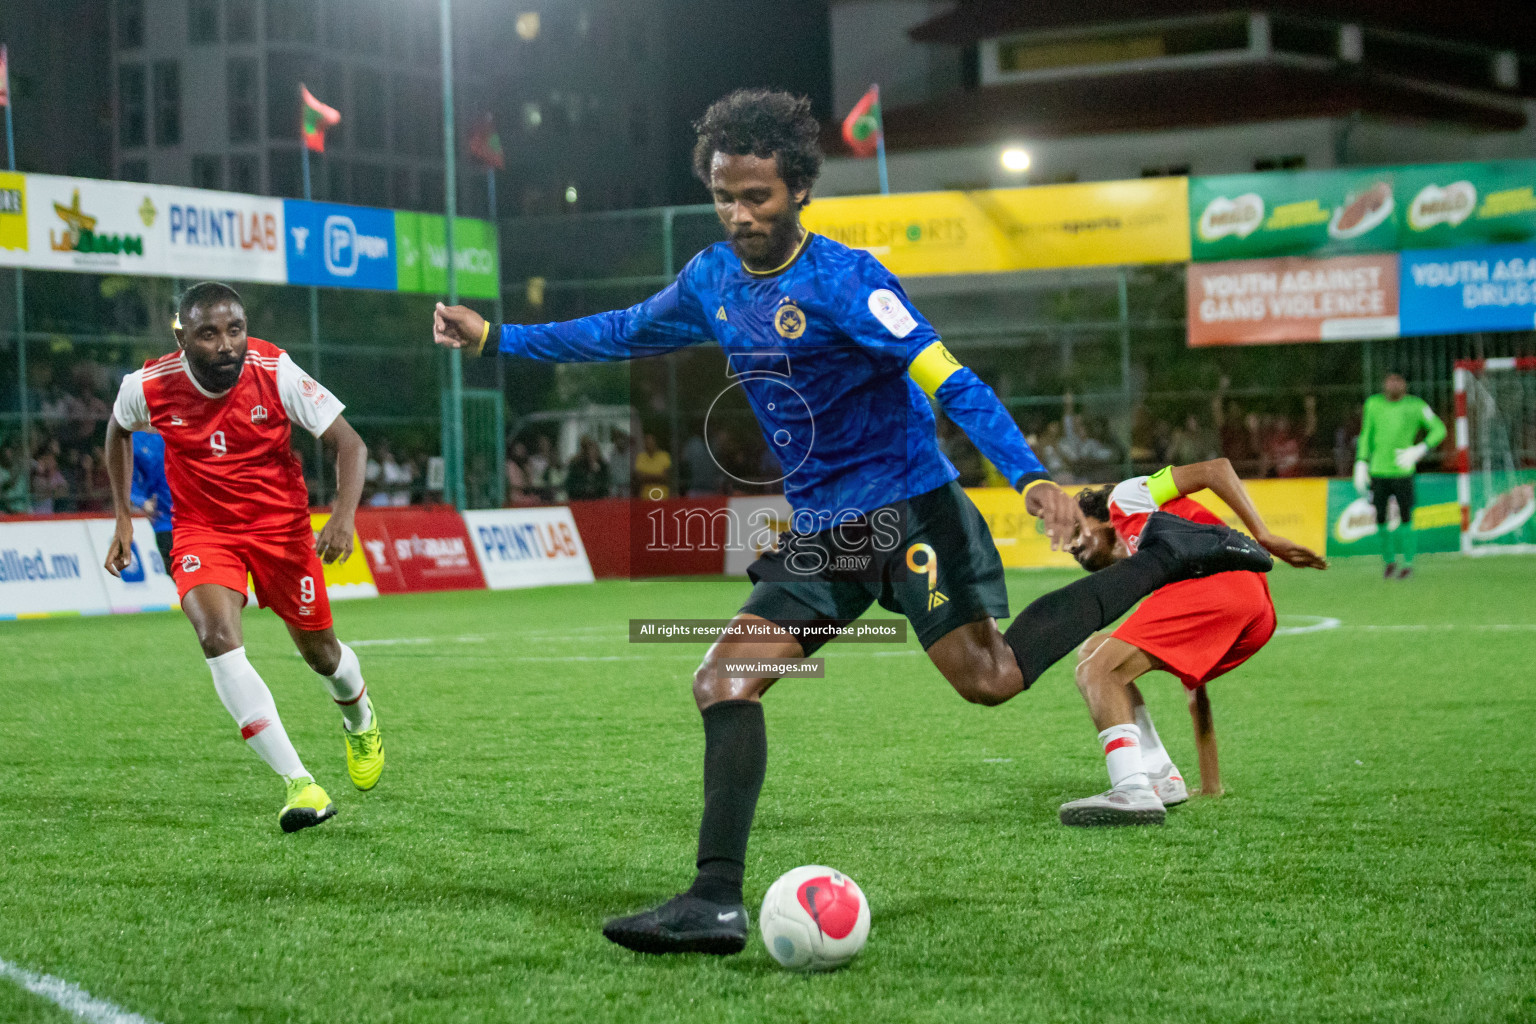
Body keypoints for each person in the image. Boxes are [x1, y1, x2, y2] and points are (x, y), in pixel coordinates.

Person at [432, 88, 1269, 956]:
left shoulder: (848, 281)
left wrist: (1028, 478)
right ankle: (714, 900)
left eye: (756, 196)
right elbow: (619, 332)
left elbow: (951, 378)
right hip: (826, 535)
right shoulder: (713, 279)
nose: (739, 213)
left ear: (798, 190)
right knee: (722, 681)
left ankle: (1166, 555)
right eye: (724, 195)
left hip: (913, 511)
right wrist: (497, 338)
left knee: (990, 679)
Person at [102, 282, 385, 833]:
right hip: (204, 532)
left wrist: (343, 517)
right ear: (182, 336)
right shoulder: (148, 385)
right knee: (216, 639)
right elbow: (117, 432)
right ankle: (300, 783)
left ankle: (360, 716)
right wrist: (121, 516)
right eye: (209, 333)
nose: (227, 344)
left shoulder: (273, 368)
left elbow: (349, 444)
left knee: (322, 655)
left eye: (235, 329)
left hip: (281, 531)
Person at [1064, 459, 1327, 825]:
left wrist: (1263, 534)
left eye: (1075, 529)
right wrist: (1210, 782)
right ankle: (1160, 778)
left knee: (1097, 671)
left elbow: (1215, 469)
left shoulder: (1125, 499)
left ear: (1100, 517)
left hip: (1227, 584)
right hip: (1251, 611)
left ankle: (1131, 787)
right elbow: (1194, 683)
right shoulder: (1148, 564)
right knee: (1094, 653)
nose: (1070, 545)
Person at [1354, 372, 1446, 580]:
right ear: (1384, 383)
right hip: (1378, 471)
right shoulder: (1373, 404)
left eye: (1398, 380)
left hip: (1403, 471)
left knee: (1406, 516)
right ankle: (1389, 561)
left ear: (1404, 384)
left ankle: (1408, 563)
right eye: (1390, 380)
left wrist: (1421, 449)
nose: (1393, 384)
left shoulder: (1416, 406)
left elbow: (1439, 429)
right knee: (1380, 517)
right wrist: (1361, 461)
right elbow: (1366, 433)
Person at [130, 429, 175, 567]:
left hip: (196, 517)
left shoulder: (181, 429)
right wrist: (142, 502)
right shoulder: (134, 440)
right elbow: (127, 479)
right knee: (176, 571)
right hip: (163, 520)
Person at [634, 433, 672, 500]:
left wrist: (647, 476)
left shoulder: (664, 456)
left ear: (655, 443)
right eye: (647, 443)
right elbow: (639, 478)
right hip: (645, 497)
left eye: (651, 443)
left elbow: (665, 477)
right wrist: (658, 476)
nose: (649, 445)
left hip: (662, 496)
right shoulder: (640, 457)